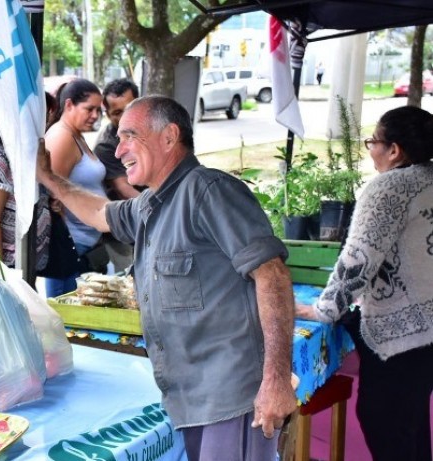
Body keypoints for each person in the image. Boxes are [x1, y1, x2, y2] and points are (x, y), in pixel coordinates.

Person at [37, 95, 297, 460]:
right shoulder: (151, 203)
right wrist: (49, 177)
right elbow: (100, 213)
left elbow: (273, 276)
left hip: (231, 396)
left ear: (169, 136)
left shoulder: (209, 191)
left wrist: (276, 380)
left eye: (130, 136)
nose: (119, 148)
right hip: (189, 397)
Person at [296, 106, 433, 461]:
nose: (370, 148)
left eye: (374, 141)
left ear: (394, 150)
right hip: (427, 331)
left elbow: (358, 260)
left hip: (399, 334)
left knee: (385, 425)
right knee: (412, 425)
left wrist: (323, 310)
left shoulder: (391, 187)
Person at [43, 78, 107, 296]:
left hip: (86, 244)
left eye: (99, 110)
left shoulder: (75, 135)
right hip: (71, 247)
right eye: (89, 109)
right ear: (69, 105)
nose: (95, 116)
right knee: (68, 323)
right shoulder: (62, 137)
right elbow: (52, 193)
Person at [0, 114, 51, 270]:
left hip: (26, 264)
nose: (47, 123)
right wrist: (0, 273)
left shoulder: (24, 157)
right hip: (9, 266)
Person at [94, 78, 141, 272]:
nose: (124, 117)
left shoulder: (152, 129)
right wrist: (162, 208)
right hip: (124, 231)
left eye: (129, 108)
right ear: (107, 113)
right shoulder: (106, 146)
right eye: (117, 112)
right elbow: (123, 188)